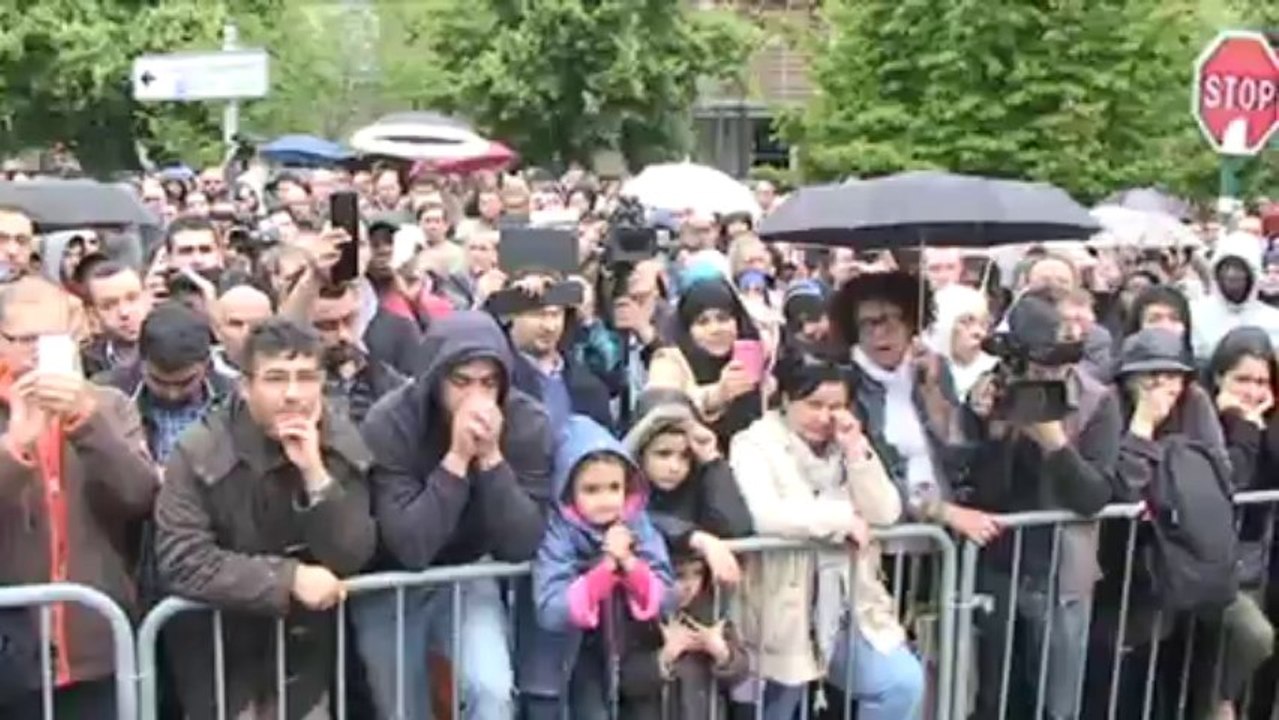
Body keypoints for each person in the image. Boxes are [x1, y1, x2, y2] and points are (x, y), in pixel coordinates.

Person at [154, 318, 376, 720]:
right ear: (245, 385)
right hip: (217, 654)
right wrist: (287, 579)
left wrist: (315, 474)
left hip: (304, 658)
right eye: (276, 379)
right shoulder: (200, 450)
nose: (293, 394)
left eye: (306, 378)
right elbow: (182, 559)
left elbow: (353, 553)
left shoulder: (340, 441)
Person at [353, 311, 553, 720]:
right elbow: (411, 545)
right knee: (402, 709)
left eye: (488, 383)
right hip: (389, 578)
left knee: (492, 690)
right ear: (436, 378)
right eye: (461, 382)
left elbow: (522, 542)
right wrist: (457, 459)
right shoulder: (391, 422)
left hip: (467, 571)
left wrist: (492, 459)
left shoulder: (526, 421)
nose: (476, 398)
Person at [729, 353, 924, 720]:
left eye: (835, 406)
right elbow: (763, 513)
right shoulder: (753, 443)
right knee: (778, 708)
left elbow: (886, 512)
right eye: (814, 404)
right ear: (786, 399)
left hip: (845, 603)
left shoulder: (846, 443)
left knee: (901, 683)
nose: (824, 417)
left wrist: (856, 451)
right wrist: (841, 519)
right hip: (780, 607)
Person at [0, 276, 157, 717]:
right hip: (11, 652)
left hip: (96, 645)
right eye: (26, 340)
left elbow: (140, 496)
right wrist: (15, 449)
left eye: (53, 340)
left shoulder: (109, 406)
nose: (38, 353)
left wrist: (86, 422)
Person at [964, 289, 1121, 720]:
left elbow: (1095, 496)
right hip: (1001, 564)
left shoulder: (1097, 401)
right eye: (1034, 364)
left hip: (1061, 572)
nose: (1045, 374)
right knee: (996, 695)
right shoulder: (994, 391)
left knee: (1057, 700)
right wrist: (990, 428)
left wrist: (1056, 445)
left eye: (1054, 362)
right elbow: (979, 489)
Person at [522, 415, 674, 719]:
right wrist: (604, 571)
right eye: (591, 489)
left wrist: (629, 564)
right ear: (568, 490)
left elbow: (666, 593)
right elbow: (550, 606)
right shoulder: (557, 531)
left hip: (610, 663)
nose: (606, 500)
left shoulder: (637, 523)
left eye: (614, 487)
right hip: (553, 667)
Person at [832, 271, 999, 544]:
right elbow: (869, 468)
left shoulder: (932, 367)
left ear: (911, 323)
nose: (879, 333)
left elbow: (960, 454)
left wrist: (932, 392)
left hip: (941, 532)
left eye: (891, 320)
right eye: (867, 323)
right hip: (883, 533)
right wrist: (942, 512)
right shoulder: (845, 381)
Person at [1198, 327, 1278, 720]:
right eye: (1242, 379)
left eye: (1262, 382)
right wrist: (1242, 425)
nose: (1253, 391)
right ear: (1218, 377)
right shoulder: (1201, 420)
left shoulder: (1266, 422)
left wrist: (1260, 425)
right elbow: (1235, 480)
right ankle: (1218, 700)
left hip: (1254, 563)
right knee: (1254, 635)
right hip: (1206, 561)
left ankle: (1223, 698)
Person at [622, 392, 752, 583]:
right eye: (663, 454)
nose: (675, 467)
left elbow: (736, 529)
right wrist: (695, 538)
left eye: (685, 456)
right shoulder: (620, 489)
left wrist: (712, 460)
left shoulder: (699, 482)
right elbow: (637, 521)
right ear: (640, 453)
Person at [94, 300, 234, 465]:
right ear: (141, 363)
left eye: (185, 382)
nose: (172, 394)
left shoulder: (235, 399)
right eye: (158, 381)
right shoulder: (104, 398)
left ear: (207, 364)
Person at [617, 550, 752, 719]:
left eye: (697, 573)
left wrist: (721, 651)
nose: (690, 586)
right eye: (679, 575)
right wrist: (665, 656)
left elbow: (741, 672)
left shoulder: (711, 613)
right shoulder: (639, 616)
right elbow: (622, 681)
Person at [647, 276, 763, 452]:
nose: (715, 329)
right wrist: (718, 394)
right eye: (702, 322)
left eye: (723, 318)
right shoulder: (668, 361)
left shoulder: (752, 355)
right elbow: (663, 412)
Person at [502, 272, 612, 429]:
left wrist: (588, 319)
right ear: (512, 316)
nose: (549, 326)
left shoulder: (587, 385)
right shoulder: (500, 377)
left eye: (555, 314)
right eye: (538, 315)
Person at [310, 282, 406, 425]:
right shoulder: (295, 389)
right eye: (328, 326)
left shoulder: (384, 380)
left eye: (349, 320)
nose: (343, 335)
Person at [1191, 231, 1279, 359]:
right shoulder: (1195, 314)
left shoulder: (1273, 320)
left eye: (1239, 268)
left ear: (1253, 274)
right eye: (1226, 267)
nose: (1231, 274)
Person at [81, 261, 153, 377]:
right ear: (93, 314)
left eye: (132, 298)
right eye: (108, 306)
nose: (124, 312)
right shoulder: (84, 364)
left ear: (148, 296)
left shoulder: (175, 349)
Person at [927, 283, 996, 400]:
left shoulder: (998, 372)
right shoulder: (921, 373)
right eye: (966, 322)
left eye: (983, 323)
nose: (980, 333)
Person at [211, 283, 273, 375]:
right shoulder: (203, 374)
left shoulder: (288, 366)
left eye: (257, 324)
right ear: (217, 330)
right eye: (237, 324)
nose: (246, 333)